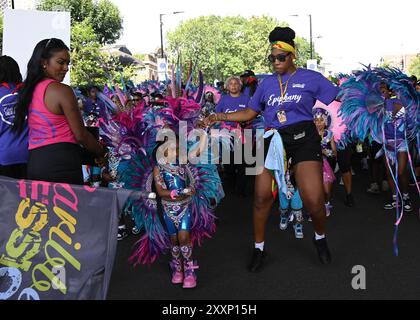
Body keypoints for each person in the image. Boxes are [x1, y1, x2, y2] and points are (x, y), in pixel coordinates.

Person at [205, 26, 337, 270]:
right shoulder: (265, 84)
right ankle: (259, 248)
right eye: (271, 57)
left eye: (280, 57)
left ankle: (319, 237)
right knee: (261, 197)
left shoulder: (311, 77)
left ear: (292, 55)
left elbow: (338, 96)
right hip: (272, 138)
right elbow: (249, 112)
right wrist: (217, 116)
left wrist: (367, 101)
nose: (275, 61)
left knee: (314, 200)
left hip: (303, 138)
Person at [14, 38, 107, 185]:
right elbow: (80, 135)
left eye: (67, 63)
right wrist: (101, 151)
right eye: (61, 62)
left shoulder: (28, 90)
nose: (66, 68)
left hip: (35, 163)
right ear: (44, 62)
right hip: (62, 165)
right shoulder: (61, 90)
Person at [380, 83, 413, 212]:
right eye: (379, 92)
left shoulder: (400, 103)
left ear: (389, 92)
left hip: (401, 142)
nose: (380, 94)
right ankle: (395, 199)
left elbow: (410, 123)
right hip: (386, 143)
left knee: (401, 172)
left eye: (383, 91)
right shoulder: (376, 108)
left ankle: (406, 197)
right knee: (389, 172)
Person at [0, 56, 28, 179]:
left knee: (6, 197)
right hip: (29, 156)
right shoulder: (27, 92)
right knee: (26, 197)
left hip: (4, 157)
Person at [314, 108, 337, 216]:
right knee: (314, 191)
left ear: (326, 121)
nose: (318, 123)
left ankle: (326, 203)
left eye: (321, 120)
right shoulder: (310, 134)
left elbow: (334, 153)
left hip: (325, 165)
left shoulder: (329, 134)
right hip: (312, 165)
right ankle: (315, 210)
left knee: (327, 191)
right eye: (316, 120)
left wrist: (327, 152)